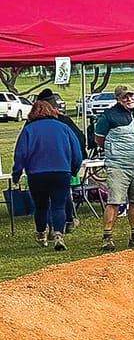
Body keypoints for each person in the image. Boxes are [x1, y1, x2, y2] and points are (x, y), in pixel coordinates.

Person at [11, 96, 82, 250]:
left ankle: (41, 234)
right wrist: (74, 170)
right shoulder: (63, 127)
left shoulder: (29, 129)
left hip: (37, 173)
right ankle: (58, 234)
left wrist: (16, 174)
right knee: (59, 205)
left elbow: (20, 154)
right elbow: (77, 152)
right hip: (61, 172)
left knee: (41, 206)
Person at [92, 84, 134, 249]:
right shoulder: (108, 116)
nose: (129, 99)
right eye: (125, 96)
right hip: (118, 166)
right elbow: (99, 138)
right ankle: (107, 237)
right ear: (118, 99)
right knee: (114, 201)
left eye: (131, 95)